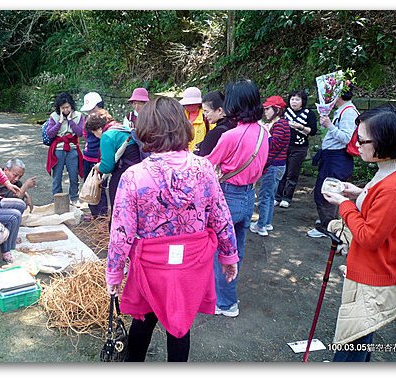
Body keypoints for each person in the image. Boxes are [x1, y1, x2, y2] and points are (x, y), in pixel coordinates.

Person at [105, 96, 238, 362]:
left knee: (142, 320)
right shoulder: (204, 168)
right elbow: (220, 215)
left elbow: (121, 231)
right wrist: (228, 255)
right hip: (190, 263)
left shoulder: (134, 176)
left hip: (151, 266)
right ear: (182, 126)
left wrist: (114, 273)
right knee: (180, 325)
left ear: (146, 129)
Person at [321, 105, 396, 362]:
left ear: (383, 144)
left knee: (353, 336)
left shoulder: (394, 189)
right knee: (364, 330)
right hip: (388, 262)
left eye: (361, 140)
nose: (356, 144)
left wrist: (344, 204)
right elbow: (384, 210)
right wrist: (359, 193)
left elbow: (369, 237)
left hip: (375, 270)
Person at [205, 79, 269, 317]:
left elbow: (207, 165)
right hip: (248, 196)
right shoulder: (264, 133)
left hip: (228, 197)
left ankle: (226, 302)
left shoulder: (231, 136)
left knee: (220, 253)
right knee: (236, 251)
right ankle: (227, 296)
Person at [307, 83, 358, 238]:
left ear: (339, 95)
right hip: (333, 157)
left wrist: (329, 125)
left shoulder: (348, 112)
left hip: (337, 157)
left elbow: (346, 137)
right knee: (331, 188)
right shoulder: (344, 110)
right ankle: (329, 222)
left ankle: (326, 226)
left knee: (327, 189)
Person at [249, 95, 290, 236]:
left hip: (273, 166)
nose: (265, 111)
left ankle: (261, 226)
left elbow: (273, 144)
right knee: (270, 196)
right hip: (278, 166)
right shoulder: (283, 123)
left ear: (277, 109)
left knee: (264, 196)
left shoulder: (280, 125)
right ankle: (267, 222)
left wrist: (264, 132)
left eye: (268, 109)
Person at [92, 110, 141, 216]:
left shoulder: (107, 136)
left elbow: (107, 166)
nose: (96, 136)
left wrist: (98, 166)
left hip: (124, 171)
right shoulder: (121, 128)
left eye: (94, 133)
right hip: (138, 170)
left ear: (99, 129)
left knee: (117, 202)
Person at [275, 89, 317, 208]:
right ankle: (277, 196)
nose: (294, 102)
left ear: (302, 101)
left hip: (299, 147)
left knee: (292, 173)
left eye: (297, 99)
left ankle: (287, 198)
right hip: (284, 146)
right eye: (292, 99)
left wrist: (301, 127)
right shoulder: (284, 112)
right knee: (281, 172)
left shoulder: (309, 113)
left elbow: (313, 131)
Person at [45, 92, 84, 204]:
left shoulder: (79, 116)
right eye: (63, 108)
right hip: (58, 148)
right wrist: (60, 122)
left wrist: (71, 120)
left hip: (72, 148)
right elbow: (50, 133)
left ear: (71, 106)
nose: (66, 110)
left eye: (67, 107)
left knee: (73, 175)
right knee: (57, 176)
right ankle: (57, 198)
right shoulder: (54, 116)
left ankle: (74, 198)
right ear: (59, 108)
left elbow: (80, 132)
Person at [80, 97, 111, 219]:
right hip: (87, 157)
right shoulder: (88, 120)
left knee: (100, 187)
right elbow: (84, 135)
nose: (90, 113)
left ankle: (102, 215)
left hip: (98, 159)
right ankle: (94, 214)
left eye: (92, 109)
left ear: (99, 106)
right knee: (89, 186)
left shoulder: (104, 122)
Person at [197, 90, 236, 157]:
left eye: (207, 111)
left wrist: (195, 152)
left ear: (219, 110)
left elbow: (203, 159)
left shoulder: (216, 133)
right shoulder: (236, 124)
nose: (205, 116)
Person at [179, 86, 209, 152]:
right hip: (184, 155)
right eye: (186, 104)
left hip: (200, 154)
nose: (187, 106)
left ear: (198, 104)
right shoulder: (181, 116)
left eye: (191, 104)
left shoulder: (207, 117)